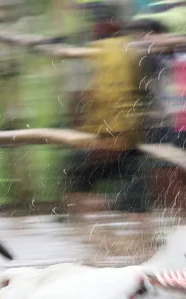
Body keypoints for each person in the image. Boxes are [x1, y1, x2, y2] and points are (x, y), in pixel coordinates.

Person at [66, 4, 147, 221]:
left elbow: (80, 96)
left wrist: (80, 130)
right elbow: (143, 90)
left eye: (98, 22)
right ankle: (123, 210)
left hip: (103, 136)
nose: (95, 26)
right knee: (136, 198)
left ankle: (112, 215)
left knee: (78, 189)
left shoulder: (93, 52)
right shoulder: (131, 49)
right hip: (129, 134)